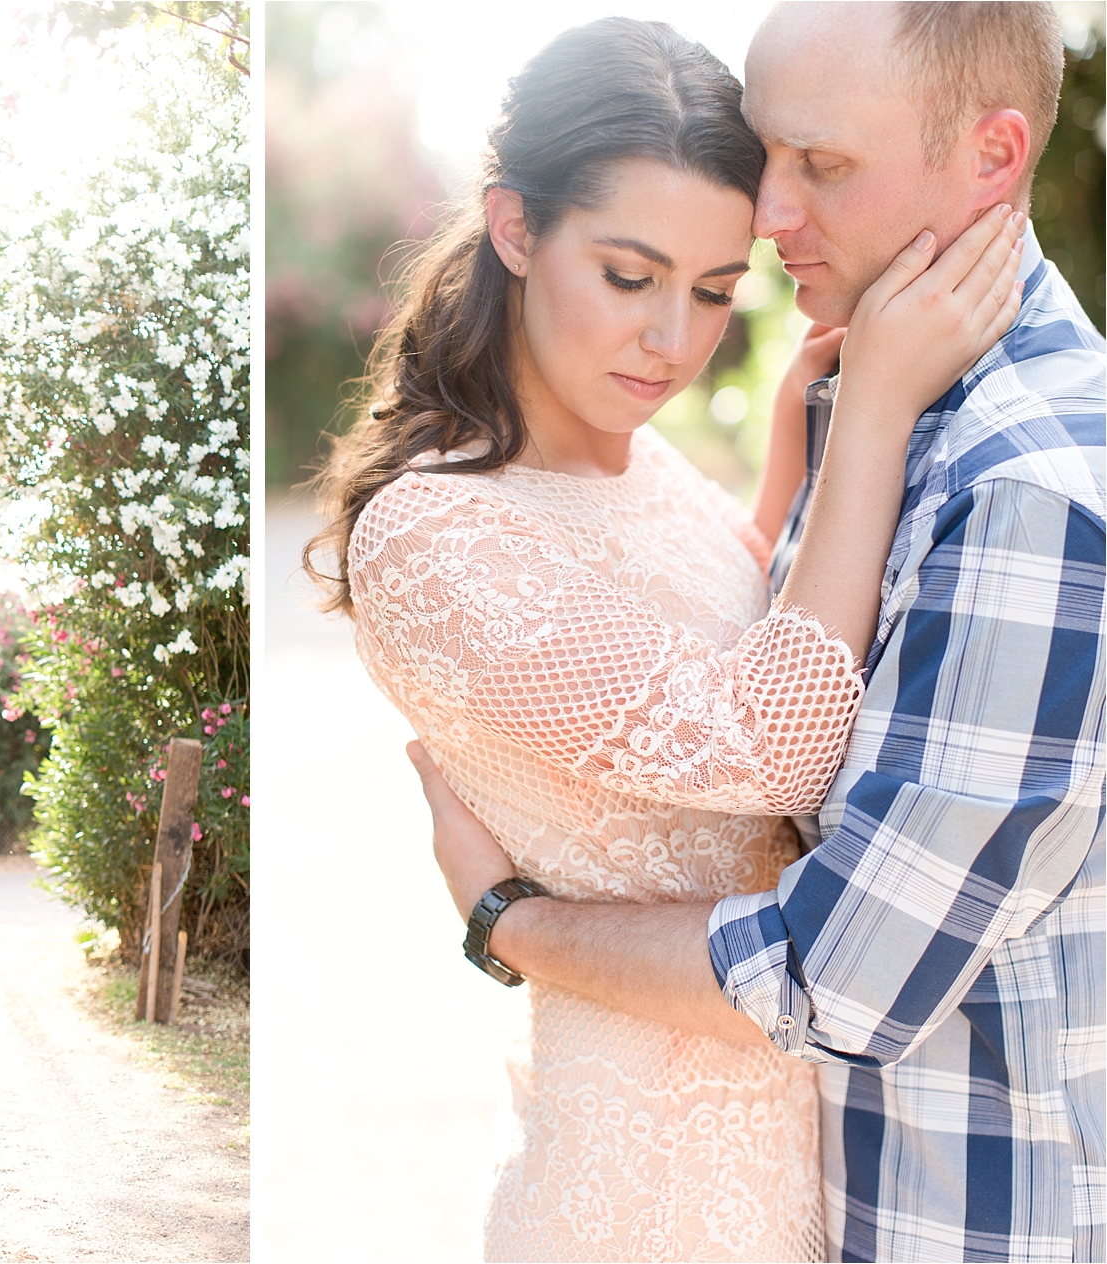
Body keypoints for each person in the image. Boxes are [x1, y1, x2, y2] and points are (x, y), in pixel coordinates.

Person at [312, 14, 1026, 1264]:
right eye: (629, 277)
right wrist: (869, 419)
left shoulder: (642, 467)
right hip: (639, 1194)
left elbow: (731, 628)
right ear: (515, 227)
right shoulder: (429, 534)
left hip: (797, 1155)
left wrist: (790, 467)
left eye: (711, 292)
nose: (672, 342)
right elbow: (772, 751)